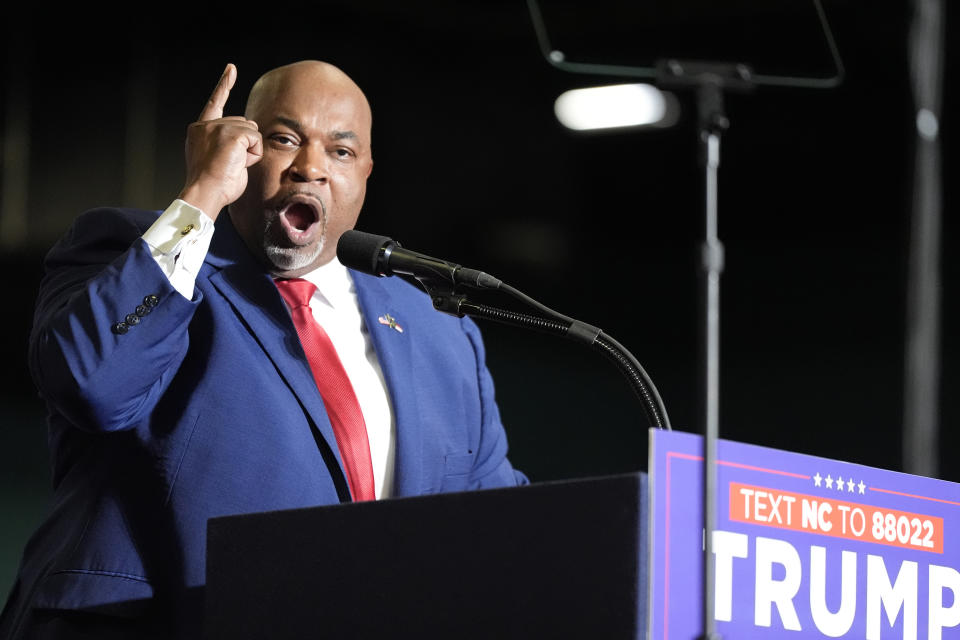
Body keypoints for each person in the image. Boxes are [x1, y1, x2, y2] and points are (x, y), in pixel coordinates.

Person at [0, 61, 527, 639]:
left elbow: (493, 526)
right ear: (242, 150)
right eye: (284, 139)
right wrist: (201, 196)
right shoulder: (136, 252)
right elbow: (92, 383)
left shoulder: (438, 330)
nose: (311, 168)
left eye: (341, 152)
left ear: (367, 173)